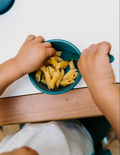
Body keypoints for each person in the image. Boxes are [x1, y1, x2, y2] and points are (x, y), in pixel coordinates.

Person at [0, 35, 119, 155]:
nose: (24, 149)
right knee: (102, 122)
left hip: (36, 120)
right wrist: (103, 88)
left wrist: (17, 64)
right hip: (85, 135)